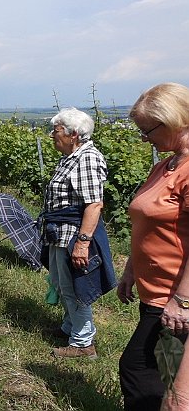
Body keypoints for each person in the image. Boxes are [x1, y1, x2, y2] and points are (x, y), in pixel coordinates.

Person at [118, 83, 189, 410]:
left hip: (173, 297)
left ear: (175, 120)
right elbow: (147, 224)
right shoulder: (165, 166)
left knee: (139, 370)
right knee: (158, 374)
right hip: (155, 290)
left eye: (147, 130)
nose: (143, 138)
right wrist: (131, 269)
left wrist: (182, 301)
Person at [40, 107, 112, 359]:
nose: (51, 135)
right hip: (60, 232)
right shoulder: (71, 157)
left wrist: (82, 243)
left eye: (56, 130)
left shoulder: (87, 159)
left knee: (74, 286)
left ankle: (83, 343)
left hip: (73, 233)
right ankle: (70, 327)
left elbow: (94, 204)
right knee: (61, 283)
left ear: (74, 135)